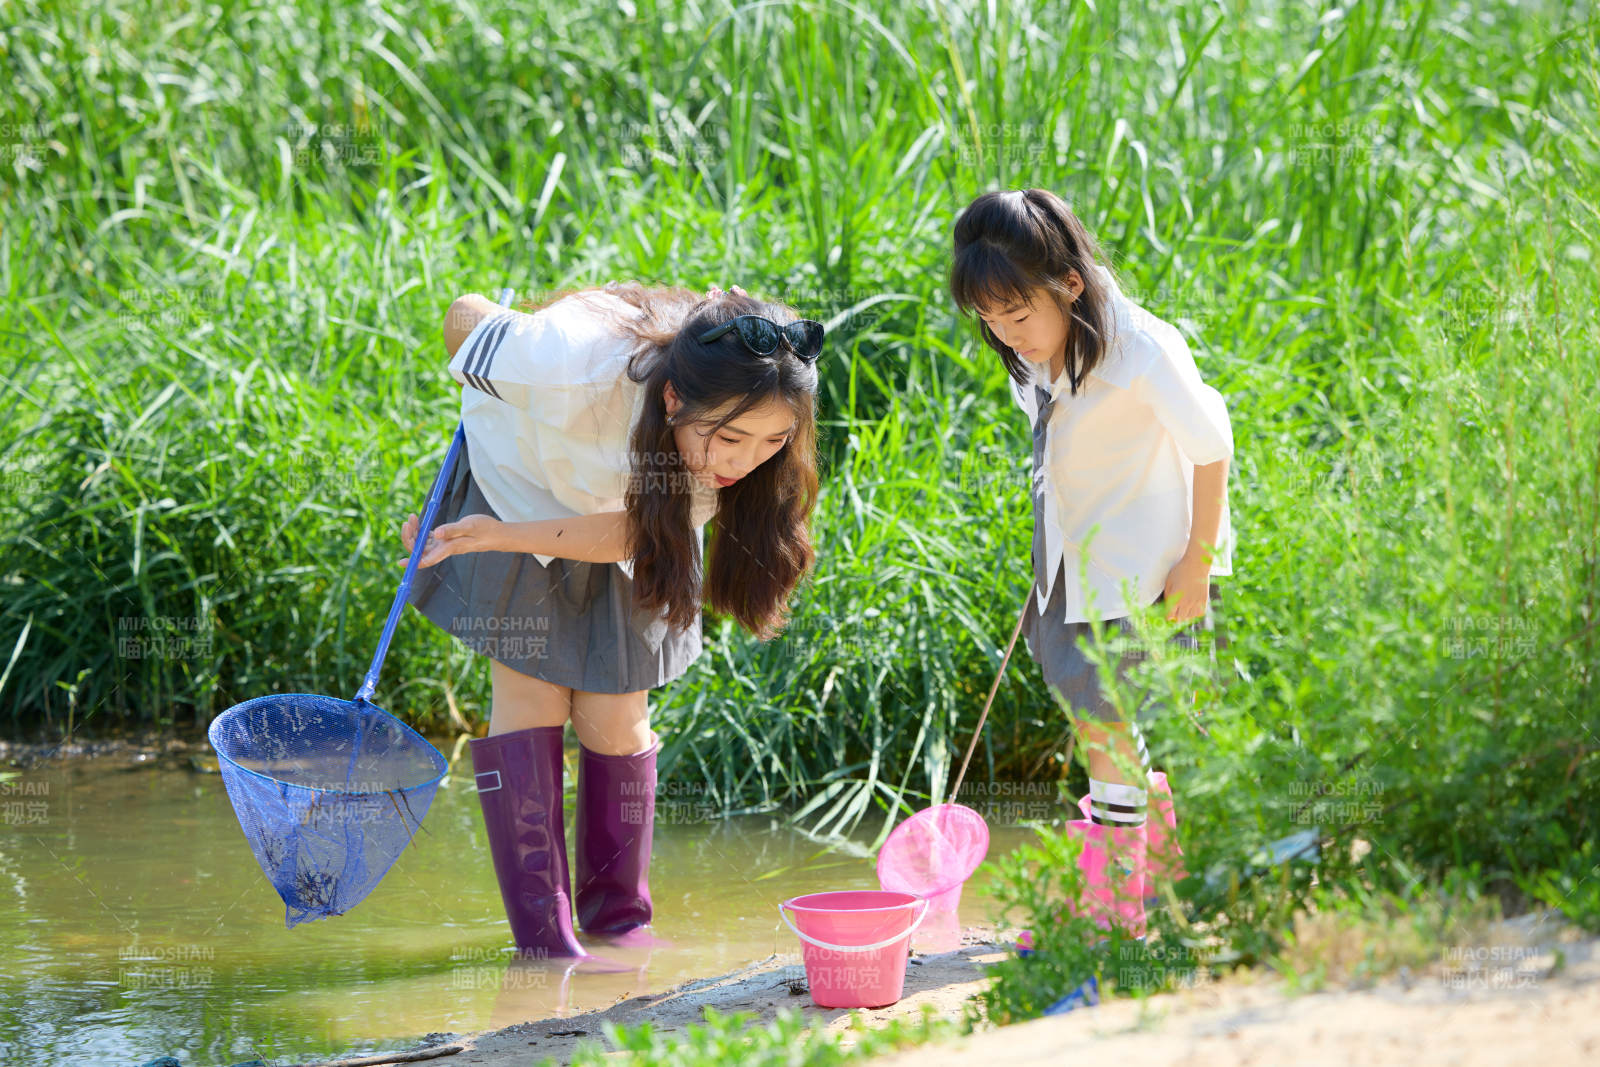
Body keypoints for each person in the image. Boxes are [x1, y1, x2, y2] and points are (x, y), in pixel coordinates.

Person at [399, 280, 824, 960]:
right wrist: (496, 531)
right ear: (672, 399)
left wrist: (734, 450)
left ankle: (619, 923)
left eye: (773, 439)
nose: (746, 459)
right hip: (516, 489)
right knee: (530, 696)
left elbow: (632, 535)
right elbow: (461, 316)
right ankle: (545, 942)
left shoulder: (729, 464)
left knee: (618, 716)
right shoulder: (562, 358)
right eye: (731, 436)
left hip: (630, 518)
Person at [949, 189, 1235, 941]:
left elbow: (1213, 445)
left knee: (1117, 727)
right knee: (1096, 723)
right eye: (990, 320)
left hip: (1147, 571)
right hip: (1072, 570)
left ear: (1069, 284)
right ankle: (1158, 877)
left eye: (1018, 315)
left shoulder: (1142, 350)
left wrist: (1197, 566)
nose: (1008, 335)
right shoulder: (1037, 352)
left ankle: (1111, 911)